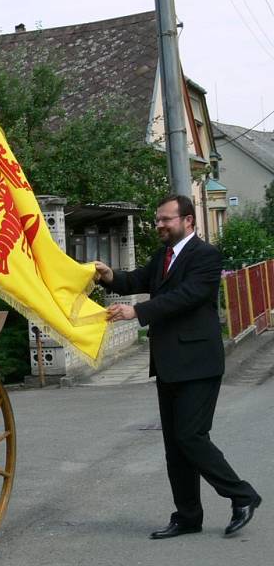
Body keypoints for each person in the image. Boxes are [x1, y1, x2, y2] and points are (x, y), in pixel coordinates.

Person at [94, 194, 261, 539]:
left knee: (190, 436)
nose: (160, 225)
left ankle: (242, 496)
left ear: (188, 221)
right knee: (175, 446)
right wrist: (110, 276)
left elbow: (187, 296)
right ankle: (187, 516)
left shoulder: (206, 256)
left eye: (166, 219)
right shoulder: (164, 256)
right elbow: (138, 280)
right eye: (158, 219)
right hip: (169, 363)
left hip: (199, 364)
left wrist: (138, 312)